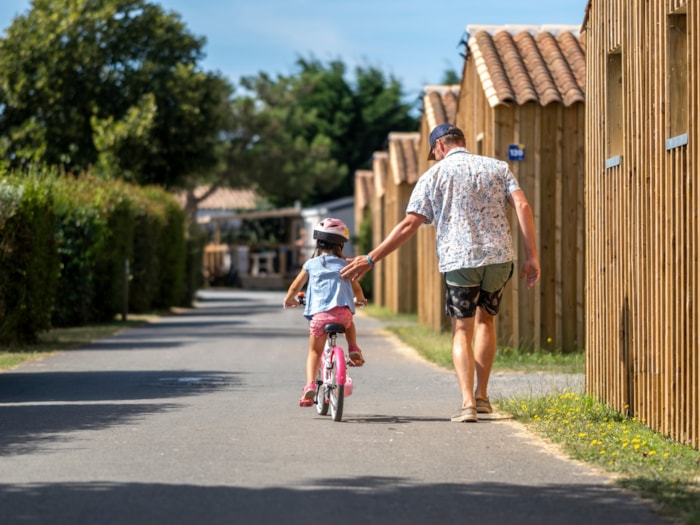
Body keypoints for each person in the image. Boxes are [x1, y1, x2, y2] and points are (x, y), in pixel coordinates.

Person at [340, 123, 540, 423]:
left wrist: (371, 258)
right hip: (499, 258)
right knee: (487, 321)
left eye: (433, 152)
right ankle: (483, 397)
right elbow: (522, 205)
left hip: (459, 261)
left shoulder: (433, 175)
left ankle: (468, 404)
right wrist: (532, 257)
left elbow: (409, 225)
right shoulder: (498, 167)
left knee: (462, 329)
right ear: (461, 141)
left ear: (439, 147)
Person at [284, 217, 367, 407]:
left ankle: (310, 385)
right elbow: (356, 289)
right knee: (350, 323)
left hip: (320, 318)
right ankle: (353, 348)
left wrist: (289, 299)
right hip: (343, 316)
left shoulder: (311, 265)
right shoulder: (346, 264)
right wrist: (361, 300)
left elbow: (295, 287)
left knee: (314, 351)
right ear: (341, 244)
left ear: (318, 242)